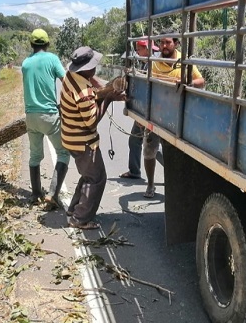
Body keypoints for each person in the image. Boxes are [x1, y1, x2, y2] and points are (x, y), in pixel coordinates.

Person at [60, 46, 126, 229]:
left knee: (87, 175)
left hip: (70, 137)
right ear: (86, 69)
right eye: (93, 65)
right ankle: (80, 219)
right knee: (96, 178)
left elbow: (94, 88)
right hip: (82, 141)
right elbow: (91, 121)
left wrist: (106, 92)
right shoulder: (83, 93)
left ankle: (74, 209)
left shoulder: (71, 77)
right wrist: (109, 99)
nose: (95, 68)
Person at [142, 31, 205, 198]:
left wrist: (187, 83)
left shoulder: (184, 62)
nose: (164, 46)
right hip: (156, 114)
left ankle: (179, 189)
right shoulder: (154, 62)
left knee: (179, 153)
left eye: (168, 42)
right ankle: (150, 184)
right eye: (162, 42)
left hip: (178, 116)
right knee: (149, 149)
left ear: (176, 43)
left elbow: (201, 81)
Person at [21, 28, 70, 208]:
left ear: (32, 44)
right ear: (48, 44)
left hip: (30, 116)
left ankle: (35, 193)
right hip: (49, 115)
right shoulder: (52, 59)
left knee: (35, 156)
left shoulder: (25, 63)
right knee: (63, 153)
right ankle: (52, 194)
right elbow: (66, 81)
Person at [120, 40, 159, 180]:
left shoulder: (153, 64)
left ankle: (140, 174)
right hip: (144, 111)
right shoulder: (146, 63)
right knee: (136, 141)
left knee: (150, 145)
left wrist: (143, 117)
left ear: (147, 49)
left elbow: (150, 90)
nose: (137, 52)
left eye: (138, 49)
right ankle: (134, 171)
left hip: (150, 111)